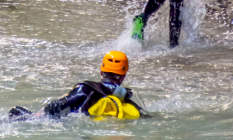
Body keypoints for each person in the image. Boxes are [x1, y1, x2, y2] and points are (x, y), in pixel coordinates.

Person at [9, 50, 143, 120]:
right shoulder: (127, 101)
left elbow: (57, 106)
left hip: (64, 122)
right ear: (124, 75)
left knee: (15, 111)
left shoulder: (85, 89)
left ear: (101, 71)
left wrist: (36, 116)